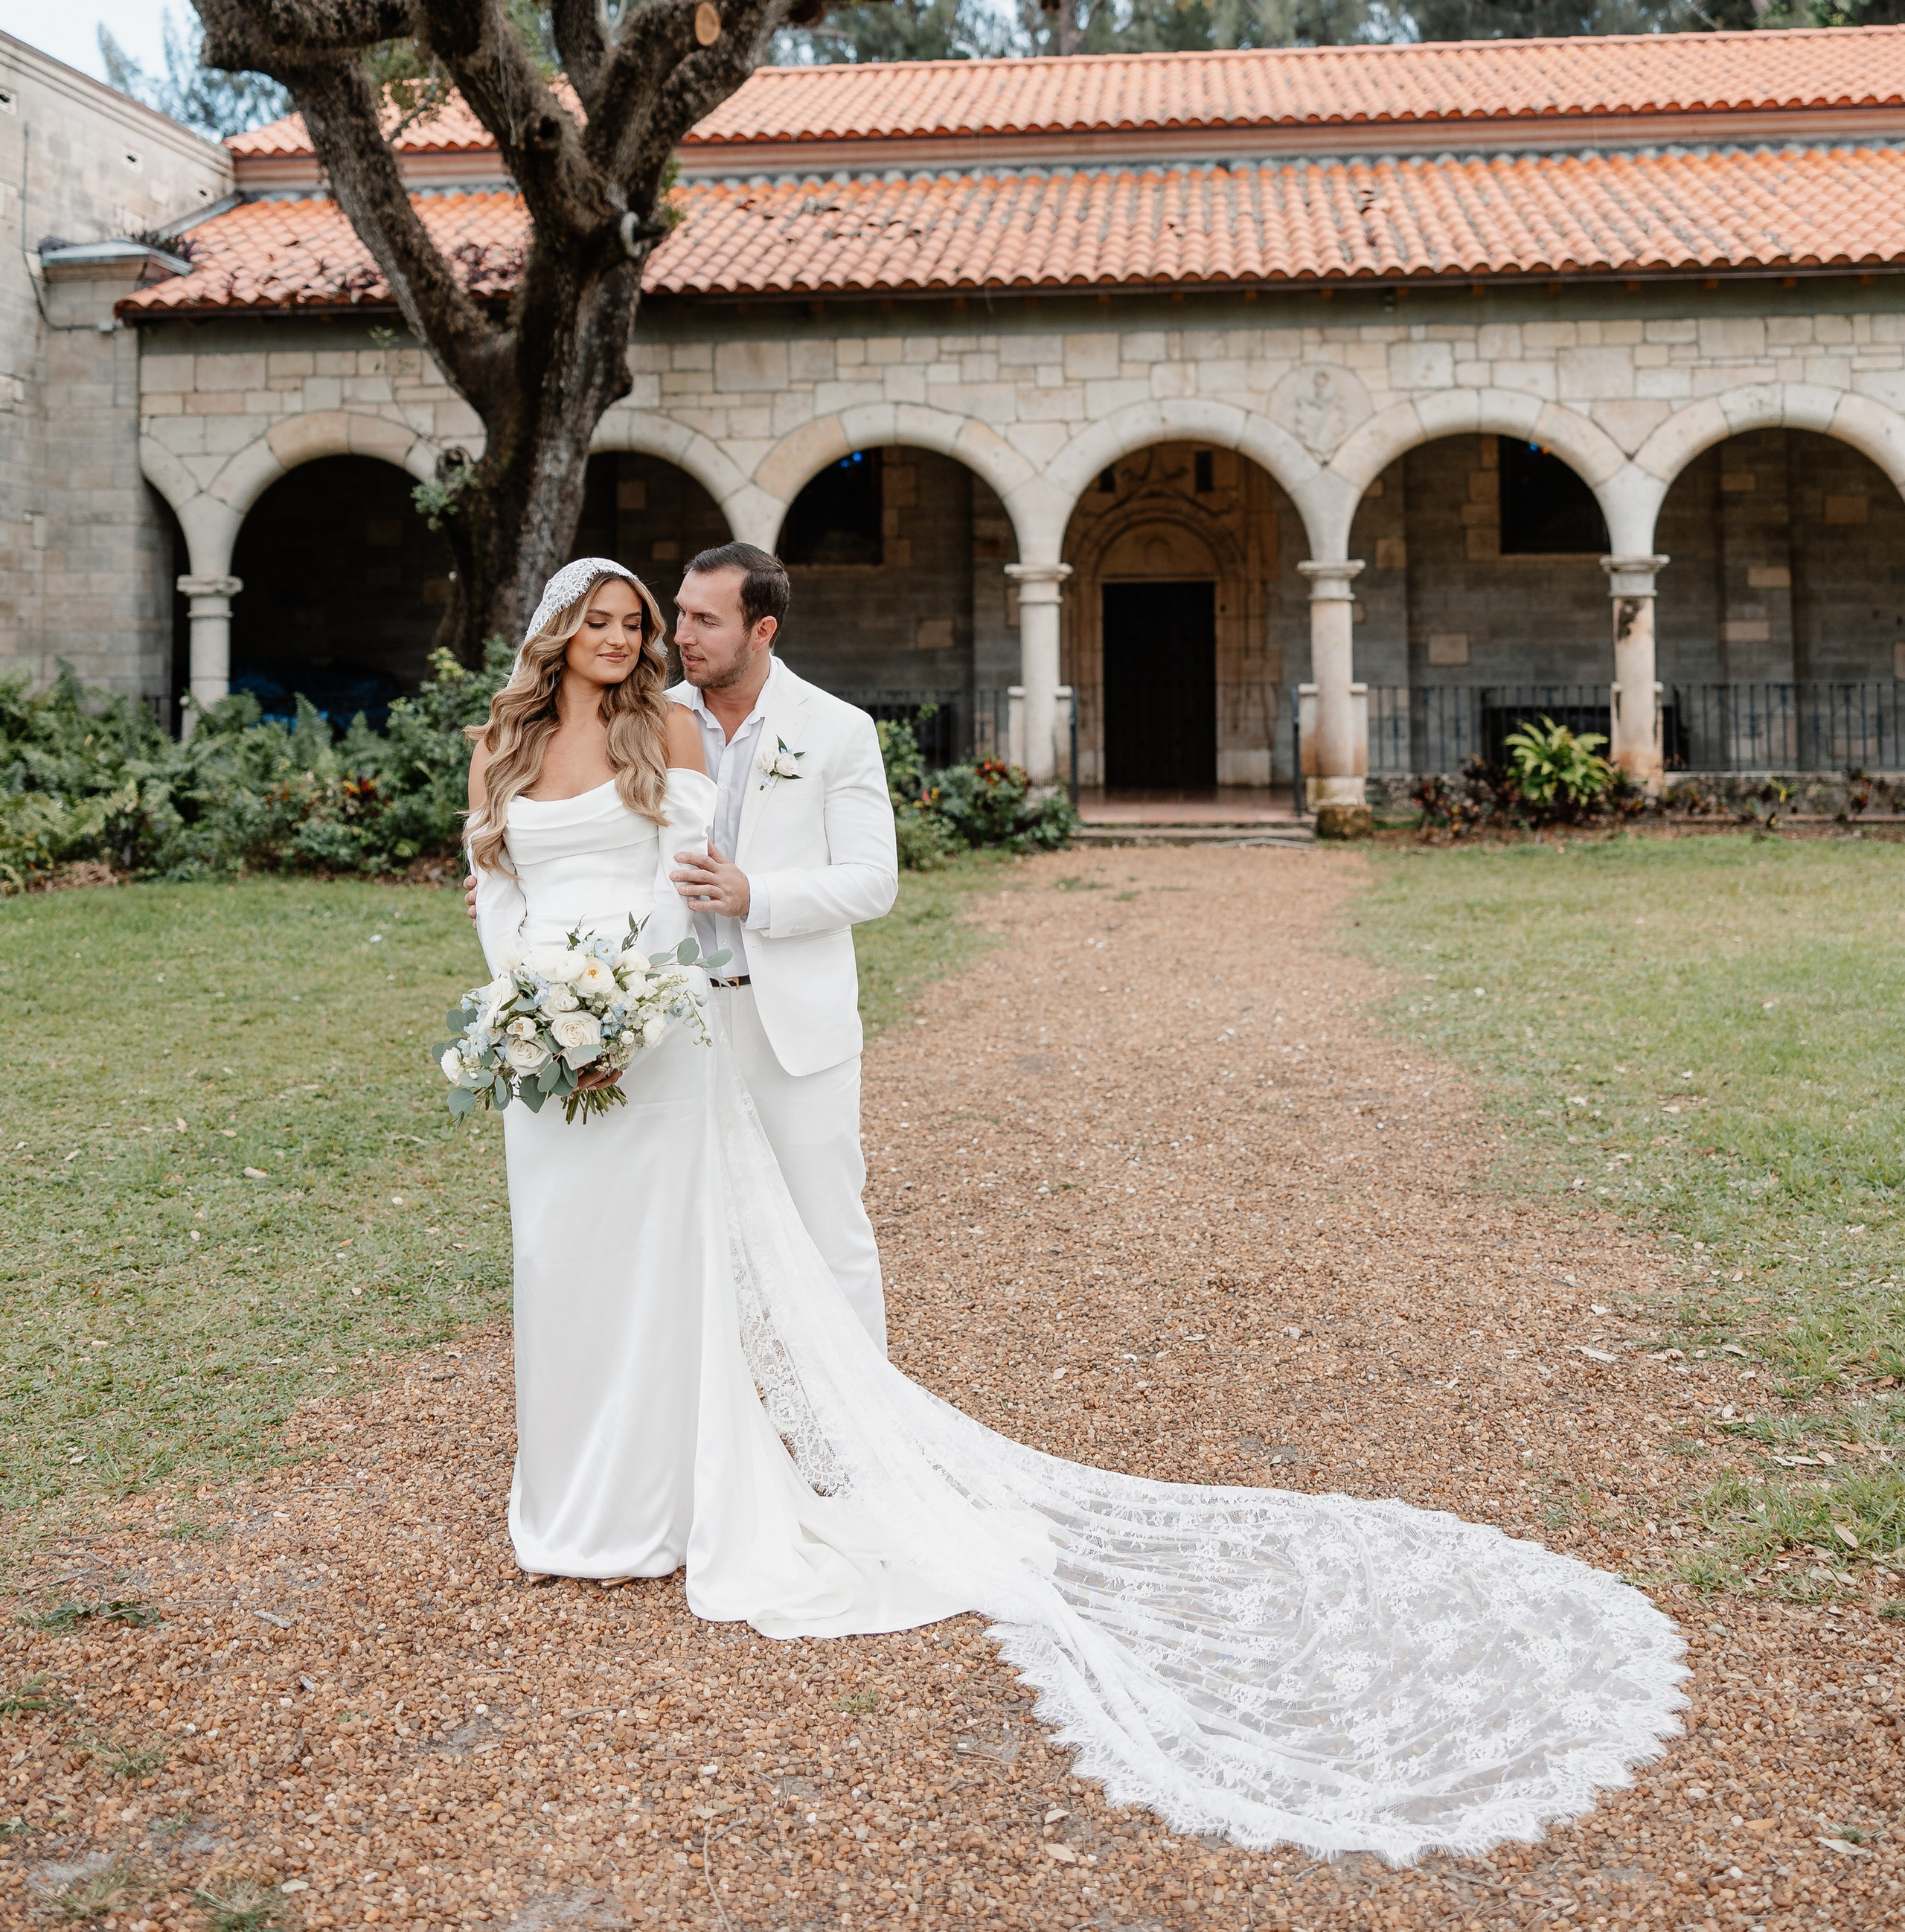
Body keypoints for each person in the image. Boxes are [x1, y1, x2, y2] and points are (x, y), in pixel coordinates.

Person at [465, 558, 1688, 1855]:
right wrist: (541, 1004)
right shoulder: (596, 732)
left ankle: (843, 1463)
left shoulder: (796, 733)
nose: (652, 638)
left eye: (666, 621)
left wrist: (676, 956)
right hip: (602, 1034)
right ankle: (609, 1482)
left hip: (725, 1031)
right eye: (632, 621)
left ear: (749, 627)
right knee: (605, 1265)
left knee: (809, 1245)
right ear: (561, 634)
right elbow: (498, 883)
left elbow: (828, 880)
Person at [664, 543, 896, 1352]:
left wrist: (755, 896)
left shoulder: (835, 729)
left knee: (827, 1233)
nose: (680, 635)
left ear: (761, 629)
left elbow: (874, 881)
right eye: (680, 614)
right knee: (690, 1233)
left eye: (704, 620)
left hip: (794, 1023)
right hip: (675, 1024)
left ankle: (861, 1438)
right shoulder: (647, 725)